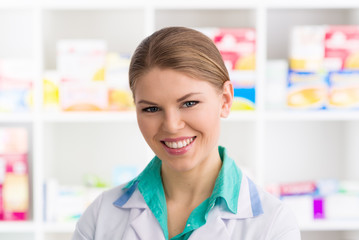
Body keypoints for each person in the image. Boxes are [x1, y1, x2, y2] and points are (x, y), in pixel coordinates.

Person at [72, 27, 301, 240]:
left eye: (189, 103)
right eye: (151, 109)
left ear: (226, 100)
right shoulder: (100, 217)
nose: (171, 125)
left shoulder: (273, 225)